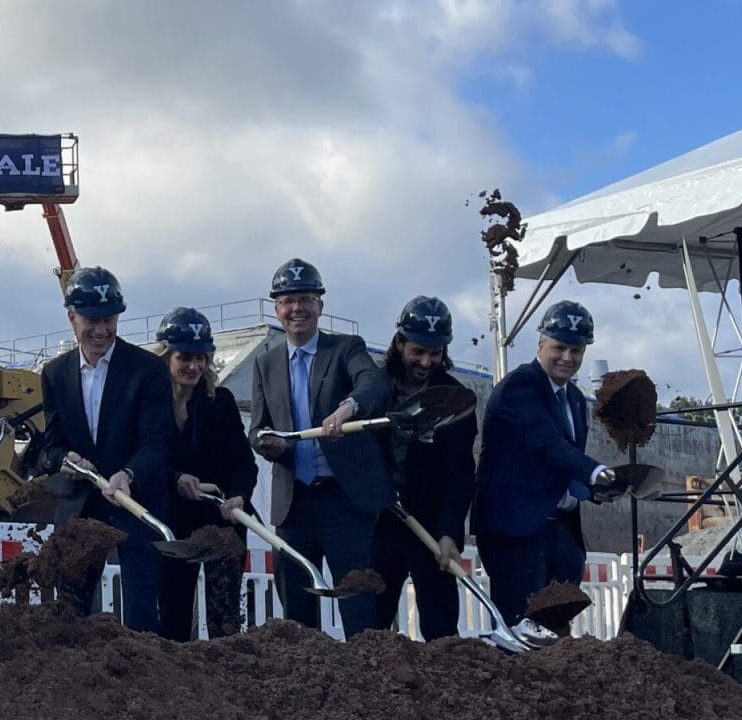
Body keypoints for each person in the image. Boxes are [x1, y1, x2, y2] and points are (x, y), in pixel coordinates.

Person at [245, 258, 393, 635]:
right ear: (277, 308)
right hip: (294, 505)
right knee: (296, 613)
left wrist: (347, 408)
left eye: (306, 299)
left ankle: (366, 682)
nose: (297, 309)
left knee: (359, 605)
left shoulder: (345, 349)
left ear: (320, 307)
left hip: (344, 502)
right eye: (288, 300)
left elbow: (374, 385)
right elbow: (258, 427)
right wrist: (267, 444)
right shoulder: (265, 363)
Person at [29, 266, 171, 632]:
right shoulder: (55, 373)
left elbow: (157, 443)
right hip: (80, 506)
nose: (102, 330)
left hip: (134, 504)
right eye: (92, 320)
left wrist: (129, 474)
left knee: (141, 610)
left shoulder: (147, 370)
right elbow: (51, 446)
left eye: (109, 320)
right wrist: (63, 460)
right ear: (72, 317)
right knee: (71, 610)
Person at [472, 299, 615, 625]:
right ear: (540, 344)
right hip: (516, 530)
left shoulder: (576, 399)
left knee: (556, 630)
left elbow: (564, 463)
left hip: (561, 530)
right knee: (520, 629)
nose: (568, 358)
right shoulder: (519, 387)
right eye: (560, 347)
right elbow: (548, 444)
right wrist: (597, 473)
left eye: (576, 351)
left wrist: (599, 489)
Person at [371, 296, 478, 640]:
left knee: (441, 628)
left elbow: (460, 474)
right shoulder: (374, 388)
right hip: (379, 525)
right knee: (369, 627)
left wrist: (449, 532)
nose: (426, 361)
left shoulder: (455, 399)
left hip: (430, 528)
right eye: (417, 351)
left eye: (435, 353)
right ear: (399, 342)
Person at [151, 307, 256, 641]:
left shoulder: (219, 402)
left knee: (225, 620)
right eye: (185, 357)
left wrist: (240, 494)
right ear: (167, 356)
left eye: (201, 358)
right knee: (173, 616)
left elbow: (243, 461)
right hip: (172, 524)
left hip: (220, 520)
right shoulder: (150, 405)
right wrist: (175, 478)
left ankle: (227, 680)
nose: (193, 366)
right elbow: (146, 457)